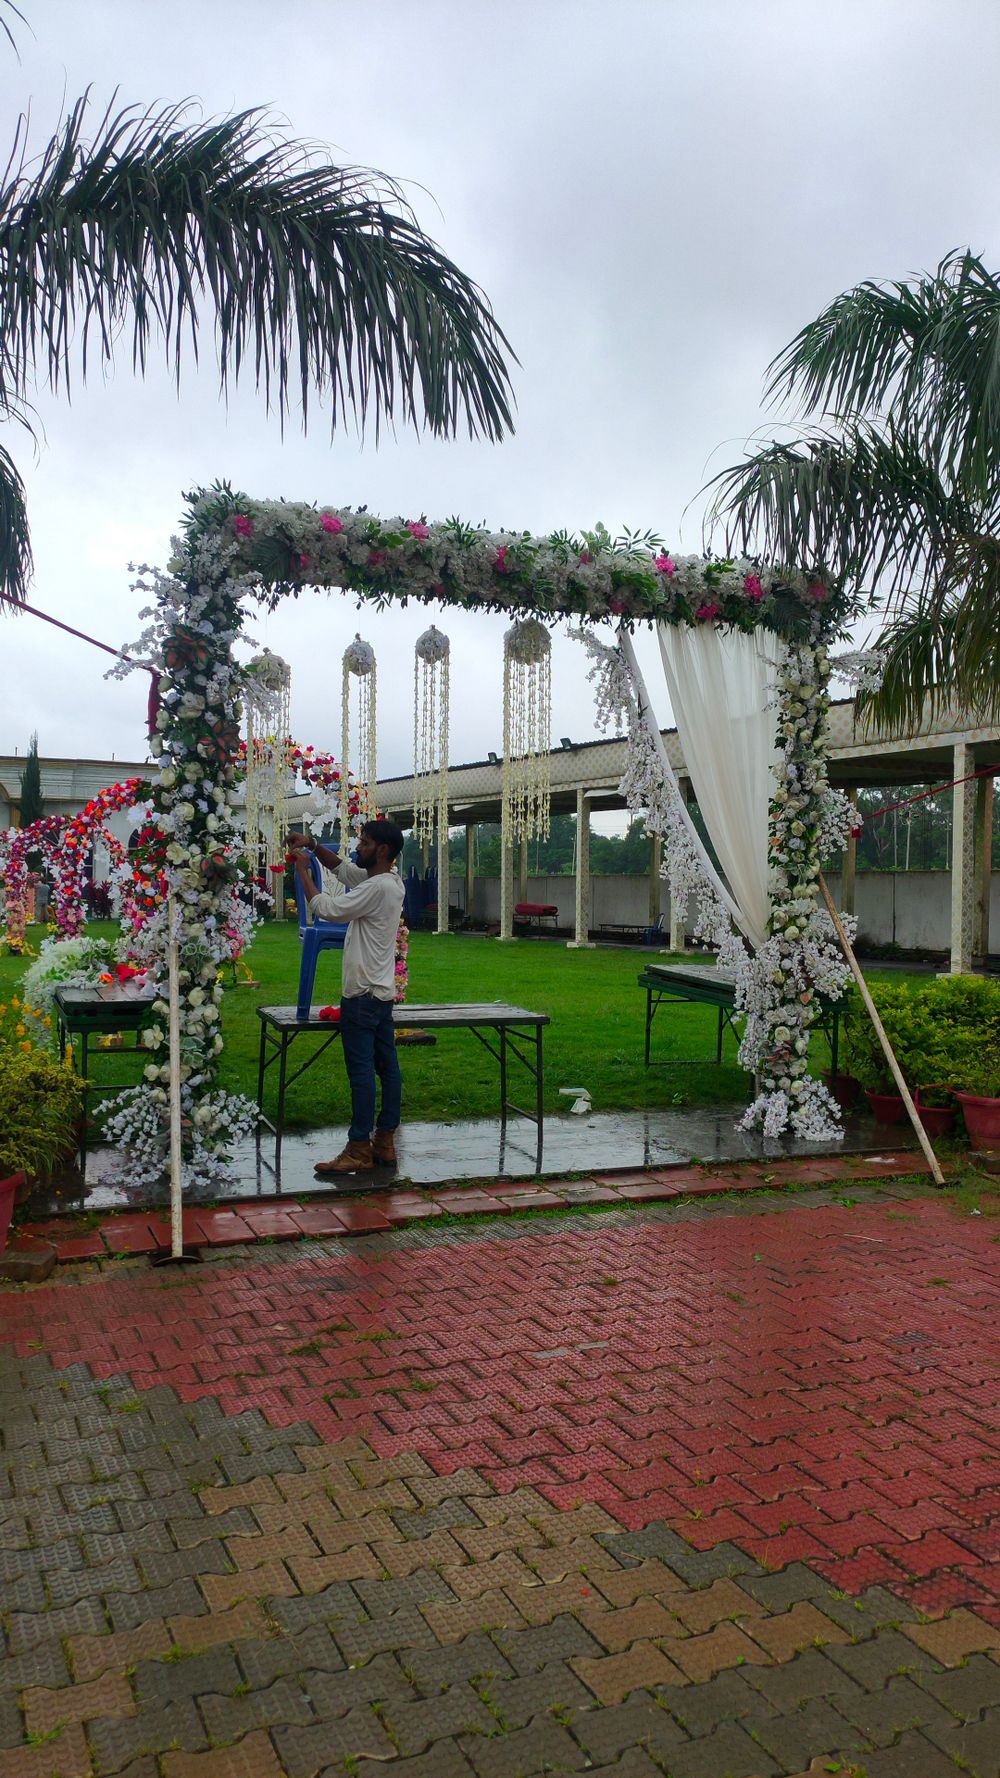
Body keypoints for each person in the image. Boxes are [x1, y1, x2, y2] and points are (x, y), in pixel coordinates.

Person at [288, 821, 406, 1177]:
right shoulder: (389, 883)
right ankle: (384, 1141)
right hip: (380, 994)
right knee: (388, 1069)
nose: (358, 845)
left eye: (365, 842)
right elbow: (345, 870)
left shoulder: (377, 888)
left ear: (382, 850)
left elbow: (328, 909)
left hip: (361, 996)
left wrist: (304, 871)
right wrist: (312, 845)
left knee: (361, 1074)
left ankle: (359, 1147)